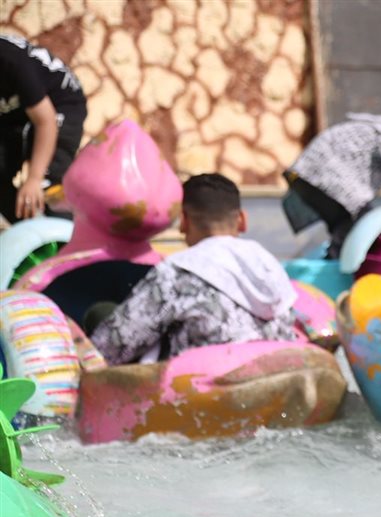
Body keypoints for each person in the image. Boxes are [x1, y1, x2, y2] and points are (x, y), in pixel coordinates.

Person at [90, 174, 297, 365]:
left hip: (204, 385)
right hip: (275, 377)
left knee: (101, 313)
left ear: (184, 221)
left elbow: (114, 345)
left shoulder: (178, 272)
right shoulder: (269, 266)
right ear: (242, 220)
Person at [283, 98, 381, 258]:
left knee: (347, 227)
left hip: (308, 175)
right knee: (363, 224)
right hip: (323, 177)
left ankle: (334, 260)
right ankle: (337, 265)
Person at [0, 34, 87, 223]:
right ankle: (28, 230)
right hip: (15, 112)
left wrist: (34, 178)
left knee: (47, 183)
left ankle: (65, 235)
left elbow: (45, 121)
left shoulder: (11, 60)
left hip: (58, 105)